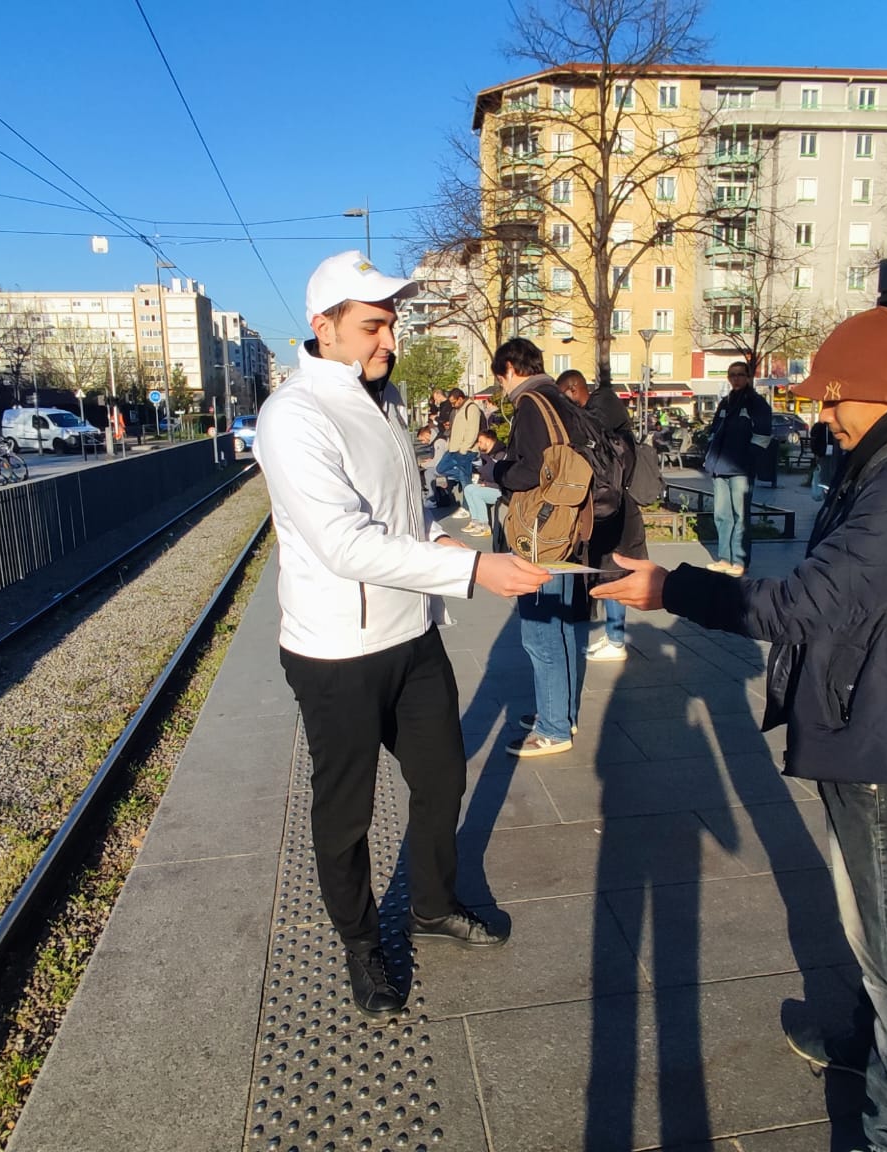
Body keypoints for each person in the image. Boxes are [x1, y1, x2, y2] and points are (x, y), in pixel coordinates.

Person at [595, 307, 887, 1152]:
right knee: (866, 918)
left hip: (886, 734)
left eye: (830, 399)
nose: (820, 414)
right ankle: (862, 1043)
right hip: (866, 716)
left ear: (868, 393)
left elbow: (806, 605)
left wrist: (674, 590)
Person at [253, 251, 552, 1017]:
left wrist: (437, 539)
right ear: (323, 328)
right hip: (336, 651)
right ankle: (361, 948)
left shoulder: (381, 400)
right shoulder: (293, 417)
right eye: (373, 326)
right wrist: (472, 573)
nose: (389, 341)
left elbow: (395, 511)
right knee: (346, 810)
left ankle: (431, 905)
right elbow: (343, 544)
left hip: (409, 632)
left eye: (392, 324)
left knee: (442, 776)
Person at [488, 342, 599, 756]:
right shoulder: (558, 398)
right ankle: (561, 712)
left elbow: (532, 470)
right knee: (563, 626)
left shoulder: (531, 404)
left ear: (512, 368)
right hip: (566, 526)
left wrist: (497, 470)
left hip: (541, 532)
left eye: (501, 377)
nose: (502, 386)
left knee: (539, 633)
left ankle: (552, 728)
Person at [564, 369, 642, 663]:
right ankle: (613, 636)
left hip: (619, 506)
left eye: (566, 398)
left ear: (574, 389)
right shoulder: (598, 408)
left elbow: (590, 429)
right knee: (607, 569)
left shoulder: (604, 401)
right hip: (610, 504)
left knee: (615, 570)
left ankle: (617, 641)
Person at [702, 360, 772, 575]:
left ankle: (740, 561)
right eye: (732, 375)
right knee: (722, 514)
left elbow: (763, 436)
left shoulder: (756, 403)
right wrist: (709, 454)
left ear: (749, 377)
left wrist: (749, 459)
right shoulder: (725, 402)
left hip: (741, 468)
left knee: (741, 515)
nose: (736, 378)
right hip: (719, 467)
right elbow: (715, 430)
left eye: (740, 374)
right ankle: (725, 558)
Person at [435, 388, 485, 510]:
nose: (452, 405)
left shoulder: (471, 408)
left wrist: (464, 448)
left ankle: (466, 508)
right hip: (453, 448)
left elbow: (472, 431)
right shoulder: (459, 410)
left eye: (454, 402)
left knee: (465, 482)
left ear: (460, 398)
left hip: (465, 450)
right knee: (440, 468)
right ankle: (470, 476)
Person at [458, 428, 505, 539]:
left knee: (477, 493)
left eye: (480, 441)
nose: (478, 445)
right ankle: (475, 521)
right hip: (491, 486)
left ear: (489, 440)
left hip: (500, 490)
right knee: (469, 488)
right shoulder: (487, 455)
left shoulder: (501, 454)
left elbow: (500, 478)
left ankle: (485, 526)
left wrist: (487, 484)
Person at [809, 414, 838, 502]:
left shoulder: (820, 426)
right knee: (828, 476)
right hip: (829, 454)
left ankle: (826, 494)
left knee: (825, 476)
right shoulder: (823, 427)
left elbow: (814, 439)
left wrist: (817, 453)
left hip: (825, 454)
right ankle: (828, 495)